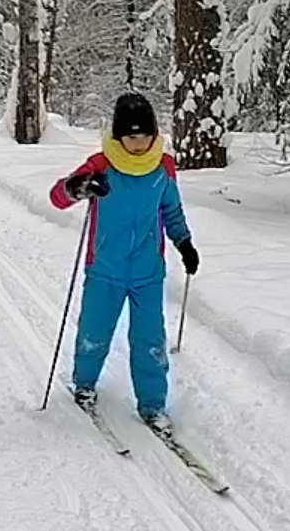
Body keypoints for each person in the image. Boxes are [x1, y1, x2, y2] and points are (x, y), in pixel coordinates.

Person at [47, 93, 199, 432]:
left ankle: (153, 405)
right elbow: (57, 197)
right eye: (131, 136)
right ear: (118, 136)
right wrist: (79, 186)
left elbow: (171, 210)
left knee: (149, 340)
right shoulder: (101, 165)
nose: (138, 143)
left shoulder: (162, 167)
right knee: (95, 331)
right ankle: (84, 384)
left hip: (147, 272)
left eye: (144, 135)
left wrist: (184, 242)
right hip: (105, 269)